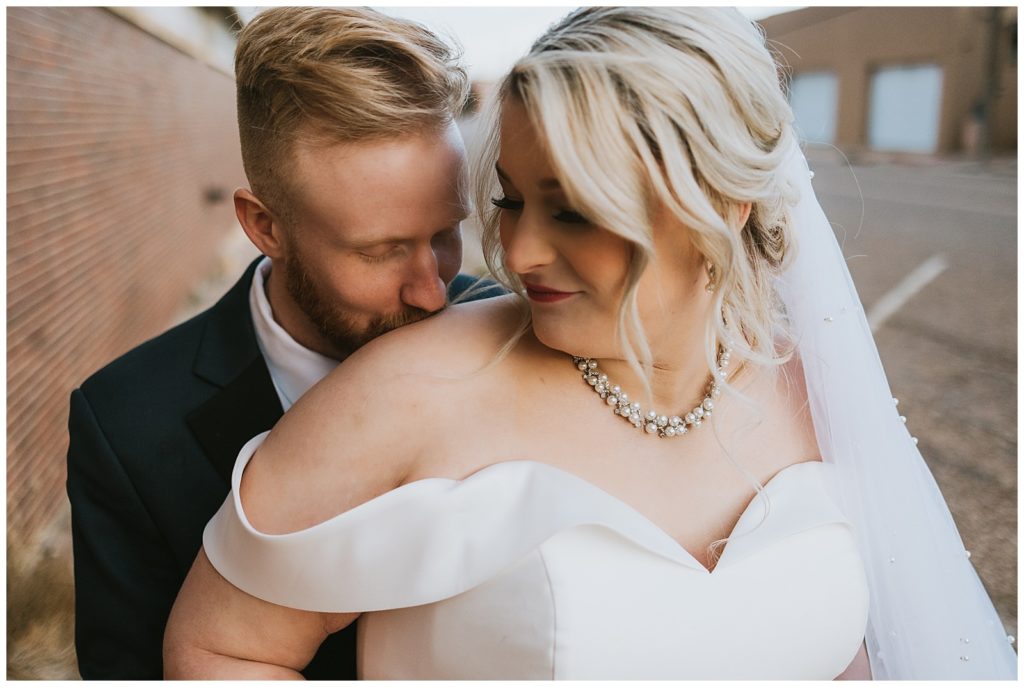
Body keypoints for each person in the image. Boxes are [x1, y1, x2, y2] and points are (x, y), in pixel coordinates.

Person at [163, 7, 1017, 679]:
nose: (522, 253)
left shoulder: (811, 384)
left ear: (722, 203)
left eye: (573, 207)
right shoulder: (409, 390)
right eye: (510, 201)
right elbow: (222, 649)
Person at [65, 7, 500, 679]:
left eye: (445, 234)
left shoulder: (510, 335)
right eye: (381, 251)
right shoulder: (126, 427)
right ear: (265, 225)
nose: (433, 292)